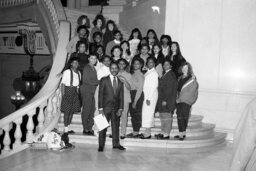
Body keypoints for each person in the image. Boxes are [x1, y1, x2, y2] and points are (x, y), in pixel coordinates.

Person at [98, 62, 125, 152]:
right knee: (102, 127)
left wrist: (121, 108)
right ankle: (101, 145)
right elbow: (100, 94)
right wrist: (100, 108)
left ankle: (116, 144)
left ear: (118, 69)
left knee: (115, 127)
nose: (114, 70)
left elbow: (121, 96)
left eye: (115, 68)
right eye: (112, 68)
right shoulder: (104, 80)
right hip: (105, 108)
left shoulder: (120, 82)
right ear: (110, 69)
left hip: (116, 108)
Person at [175, 62, 198, 141]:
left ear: (189, 69)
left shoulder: (192, 79)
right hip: (179, 101)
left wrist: (181, 99)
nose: (184, 69)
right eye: (183, 68)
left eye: (186, 68)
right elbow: (178, 90)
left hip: (186, 102)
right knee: (179, 118)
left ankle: (182, 134)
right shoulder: (180, 78)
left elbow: (191, 91)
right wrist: (177, 98)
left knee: (183, 118)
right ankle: (182, 133)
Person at [155, 59, 177, 139]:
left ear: (171, 66)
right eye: (164, 64)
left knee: (167, 117)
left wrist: (165, 99)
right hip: (162, 99)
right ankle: (163, 131)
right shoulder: (166, 74)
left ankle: (166, 134)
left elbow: (169, 89)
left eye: (167, 64)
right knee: (163, 116)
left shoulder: (171, 75)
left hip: (166, 100)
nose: (165, 66)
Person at [60, 57, 81, 133]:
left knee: (72, 111)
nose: (76, 64)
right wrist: (63, 95)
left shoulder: (79, 73)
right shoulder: (67, 72)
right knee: (67, 111)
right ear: (71, 64)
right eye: (74, 63)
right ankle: (65, 127)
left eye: (77, 63)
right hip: (68, 90)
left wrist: (78, 95)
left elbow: (78, 85)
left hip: (75, 92)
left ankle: (68, 126)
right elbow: (62, 84)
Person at [80, 54, 99, 135]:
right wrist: (99, 81)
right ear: (88, 59)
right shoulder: (87, 67)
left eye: (95, 58)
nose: (93, 60)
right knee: (86, 110)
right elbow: (86, 80)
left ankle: (90, 128)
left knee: (92, 110)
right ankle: (85, 128)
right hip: (87, 91)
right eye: (92, 58)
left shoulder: (93, 68)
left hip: (92, 91)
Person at [140, 57, 159, 139]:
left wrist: (149, 98)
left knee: (149, 113)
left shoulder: (154, 73)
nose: (150, 63)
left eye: (152, 62)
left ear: (154, 64)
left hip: (150, 96)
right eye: (148, 62)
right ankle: (146, 131)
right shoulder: (148, 72)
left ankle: (147, 133)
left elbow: (154, 86)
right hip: (146, 95)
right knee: (146, 113)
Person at [126, 57, 144, 138]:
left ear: (141, 65)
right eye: (134, 63)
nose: (135, 65)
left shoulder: (140, 75)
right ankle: (134, 131)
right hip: (132, 94)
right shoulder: (133, 74)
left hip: (137, 95)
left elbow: (140, 89)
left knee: (136, 114)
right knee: (133, 114)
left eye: (138, 64)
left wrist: (135, 101)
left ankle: (136, 132)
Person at [117, 59, 132, 139]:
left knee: (124, 116)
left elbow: (130, 88)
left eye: (123, 64)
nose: (121, 65)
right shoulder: (115, 73)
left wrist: (125, 81)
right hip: (116, 98)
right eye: (120, 64)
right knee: (115, 115)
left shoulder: (129, 75)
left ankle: (123, 133)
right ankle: (115, 132)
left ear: (125, 65)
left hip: (125, 97)